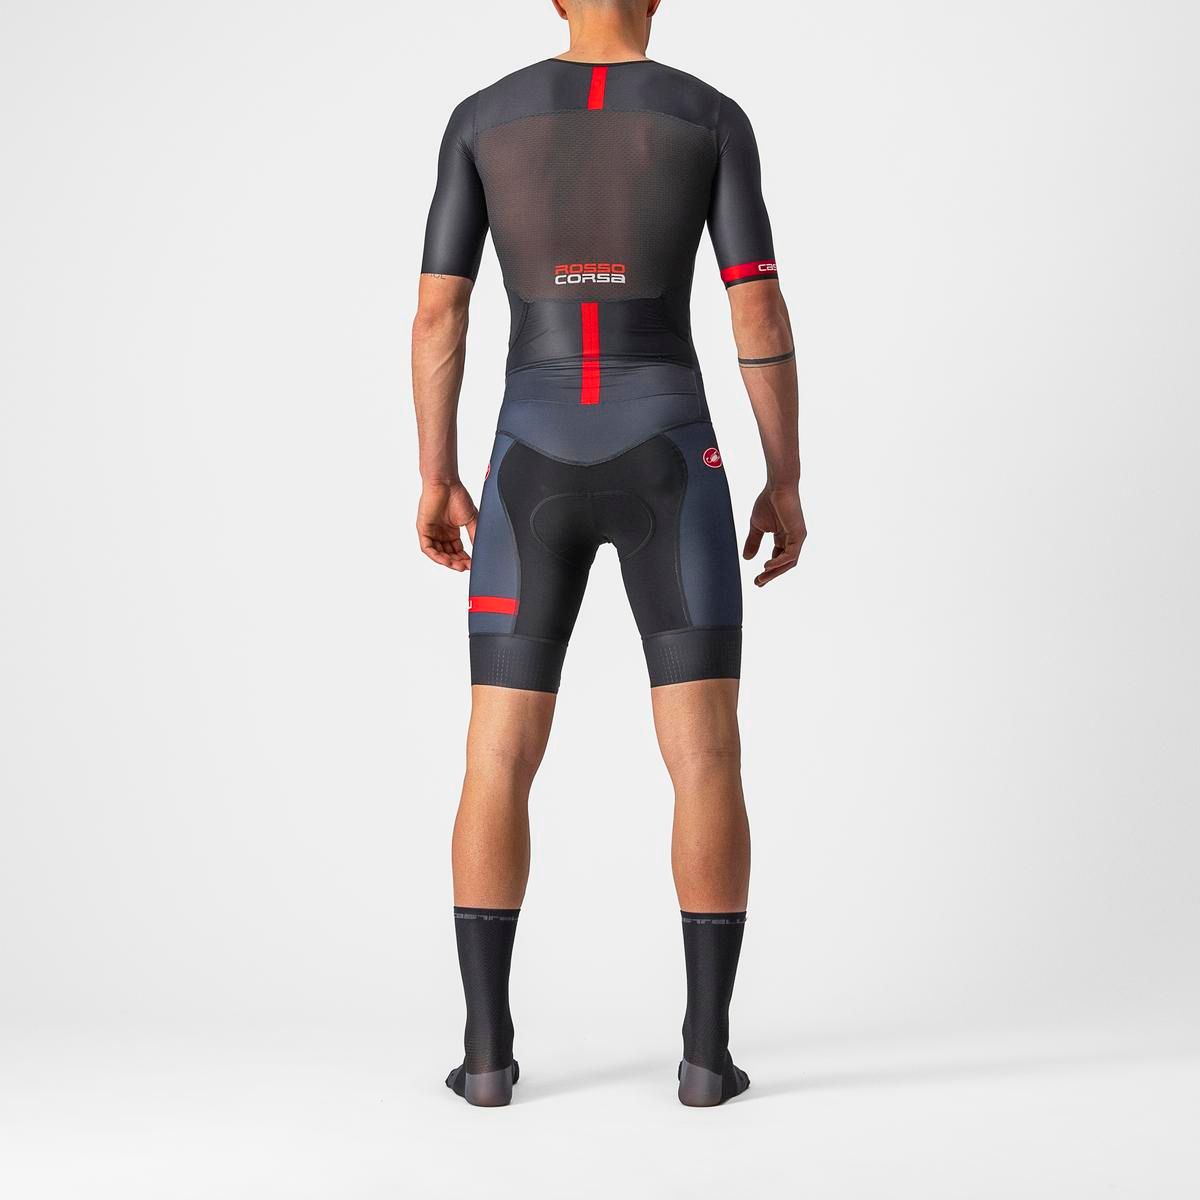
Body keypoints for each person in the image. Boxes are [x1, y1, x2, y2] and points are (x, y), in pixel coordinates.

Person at [413, 0, 806, 1108]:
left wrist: (437, 473)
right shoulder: (708, 116)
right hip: (667, 452)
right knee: (706, 755)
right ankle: (706, 1059)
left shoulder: (482, 119)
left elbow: (439, 317)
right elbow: (758, 308)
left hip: (528, 458)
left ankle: (486, 1060)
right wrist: (783, 477)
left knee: (496, 755)